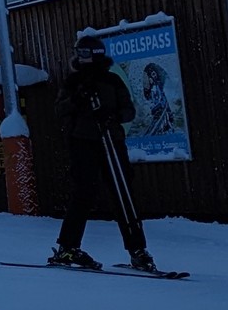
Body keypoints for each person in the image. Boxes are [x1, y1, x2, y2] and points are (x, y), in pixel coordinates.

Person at [49, 34, 159, 273]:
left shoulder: (112, 80)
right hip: (82, 142)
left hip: (111, 141)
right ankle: (68, 247)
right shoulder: (73, 81)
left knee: (122, 192)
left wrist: (112, 116)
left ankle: (138, 250)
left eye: (84, 53)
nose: (80, 57)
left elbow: (129, 110)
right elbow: (60, 109)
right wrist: (77, 100)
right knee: (83, 192)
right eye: (78, 53)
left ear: (96, 55)